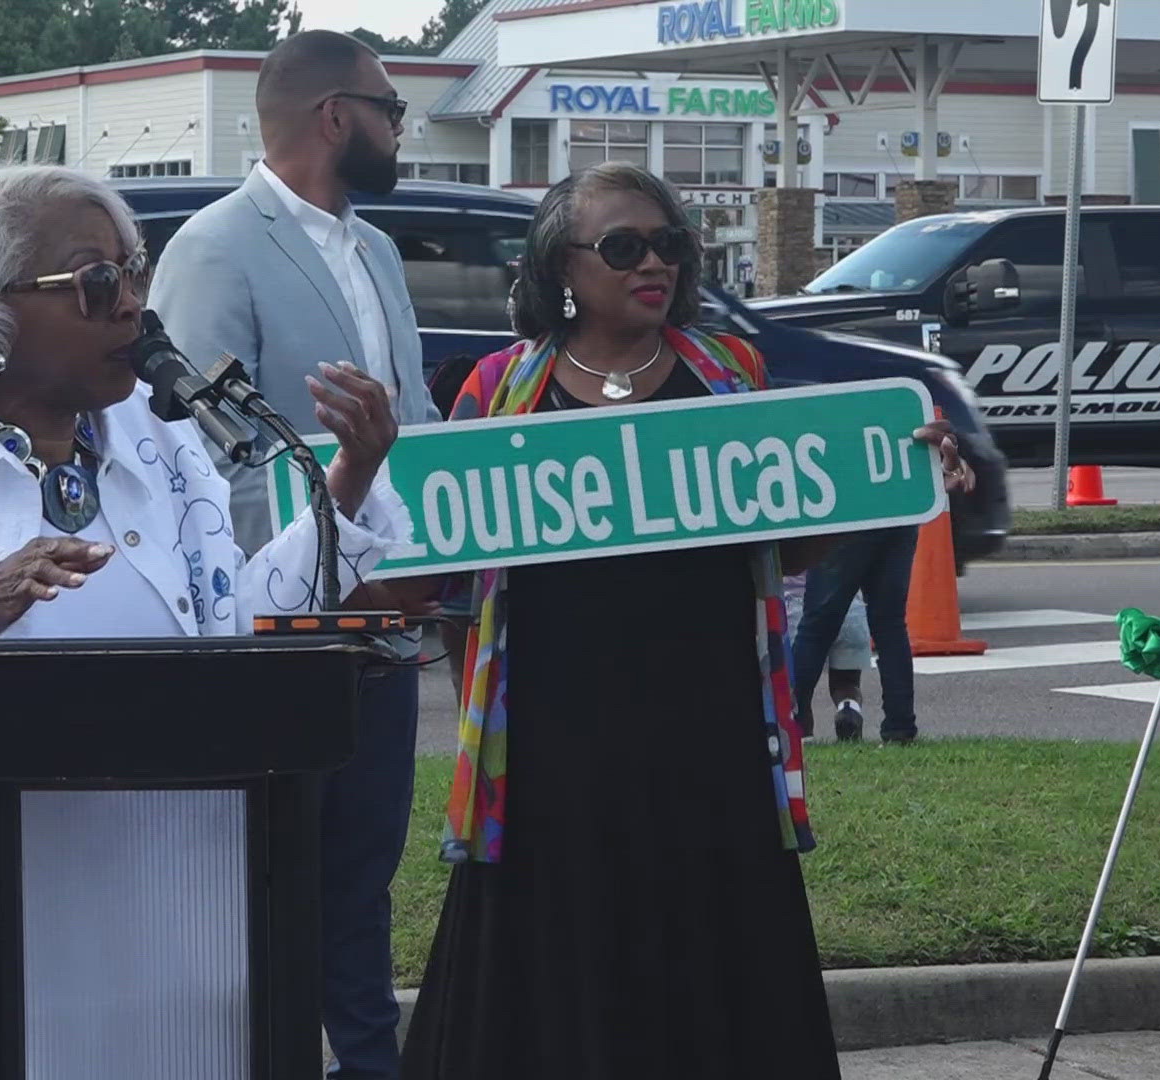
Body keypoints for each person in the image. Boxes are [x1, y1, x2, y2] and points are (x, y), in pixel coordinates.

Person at [0, 163, 411, 1078]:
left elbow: (232, 632)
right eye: (98, 280)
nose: (134, 304)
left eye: (136, 271)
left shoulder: (160, 435)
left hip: (164, 916)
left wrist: (349, 484)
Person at [399, 162, 974, 1079]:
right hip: (550, 744)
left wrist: (884, 484)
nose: (652, 264)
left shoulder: (731, 373)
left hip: (709, 735)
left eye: (669, 244)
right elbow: (448, 581)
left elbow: (783, 552)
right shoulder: (497, 388)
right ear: (562, 268)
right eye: (624, 247)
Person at [149, 30, 440, 1080]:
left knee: (360, 885)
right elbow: (188, 457)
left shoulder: (375, 249)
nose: (402, 128)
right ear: (336, 116)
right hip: (278, 633)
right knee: (270, 886)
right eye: (392, 108)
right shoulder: (216, 248)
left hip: (386, 626)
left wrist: (431, 557)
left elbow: (418, 430)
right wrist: (318, 555)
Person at [792, 526, 931, 744]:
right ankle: (900, 728)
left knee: (816, 627)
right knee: (891, 625)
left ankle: (793, 723)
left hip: (846, 516)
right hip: (898, 515)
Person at [784, 573, 874, 740]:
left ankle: (805, 739)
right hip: (849, 606)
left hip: (799, 607)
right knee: (847, 683)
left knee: (801, 693)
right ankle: (849, 708)